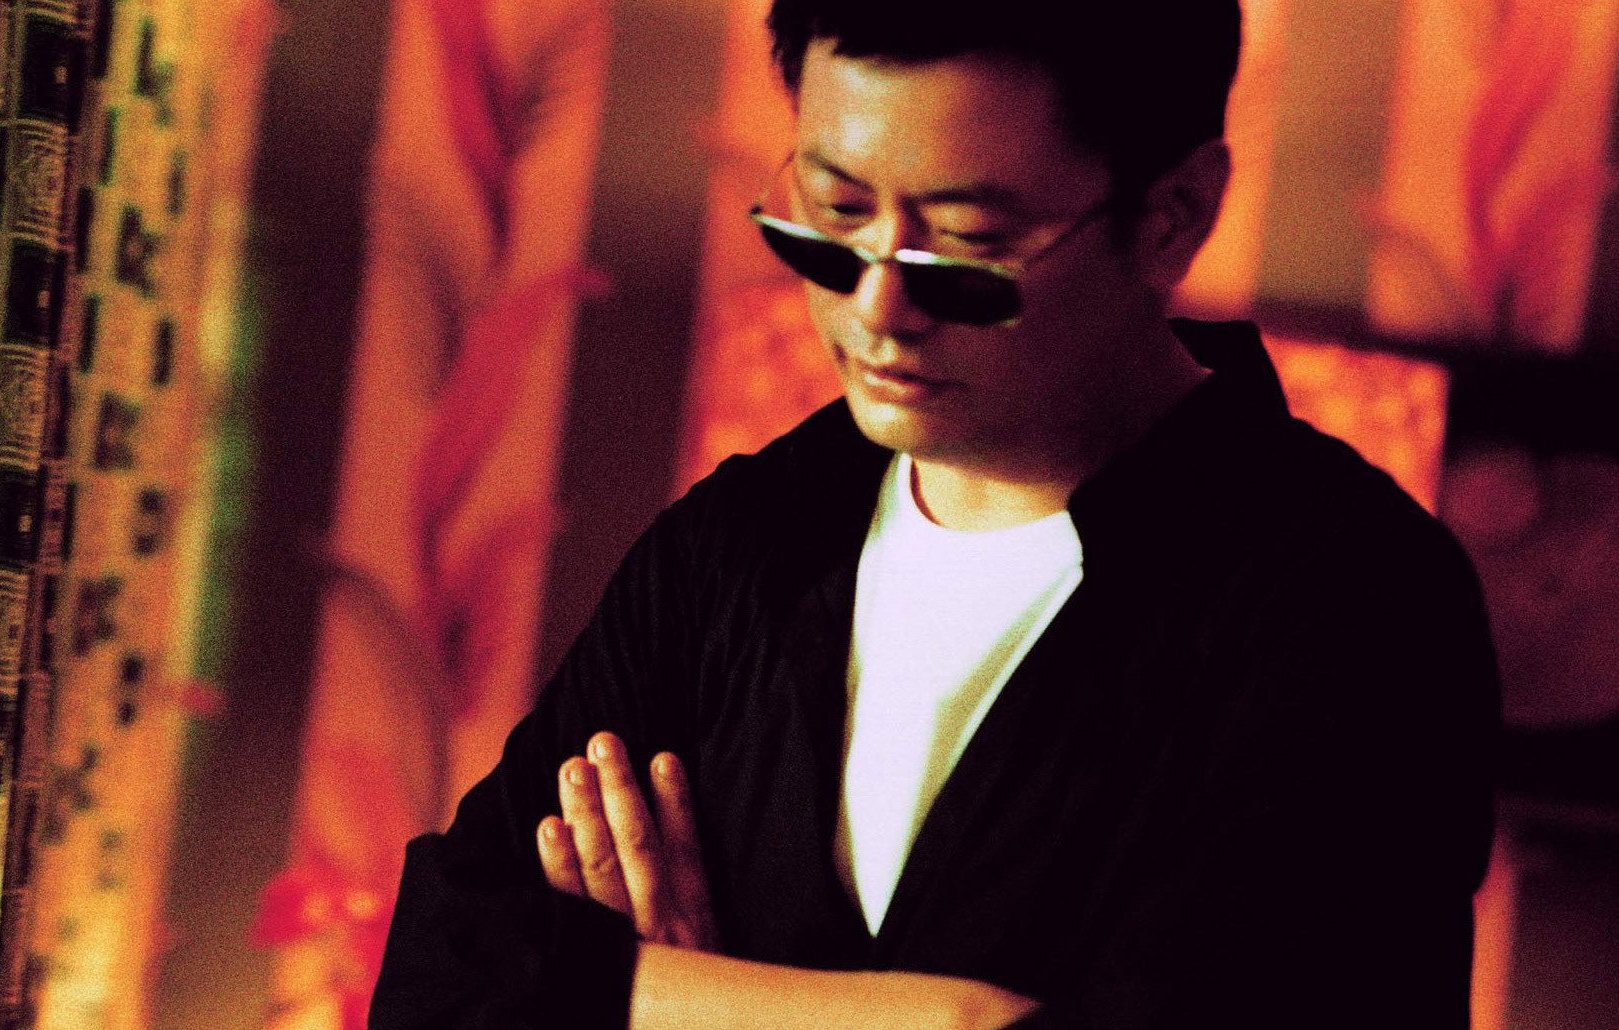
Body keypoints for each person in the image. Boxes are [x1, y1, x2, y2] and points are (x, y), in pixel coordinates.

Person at [368, 1, 1501, 1027]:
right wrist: (948, 1018)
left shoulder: (1359, 606)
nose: (877, 307)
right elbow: (436, 978)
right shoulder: (734, 545)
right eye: (833, 213)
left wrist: (632, 997)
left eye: (964, 243)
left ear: (1173, 213)